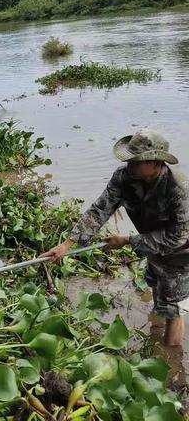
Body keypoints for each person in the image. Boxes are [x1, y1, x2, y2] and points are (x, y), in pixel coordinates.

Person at [42, 129, 189, 346]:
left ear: (156, 163)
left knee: (172, 310)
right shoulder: (124, 177)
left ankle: (170, 361)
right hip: (152, 247)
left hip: (180, 254)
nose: (130, 164)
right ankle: (155, 329)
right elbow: (99, 209)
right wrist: (66, 245)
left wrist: (128, 241)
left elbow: (178, 237)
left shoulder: (178, 188)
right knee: (155, 285)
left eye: (136, 161)